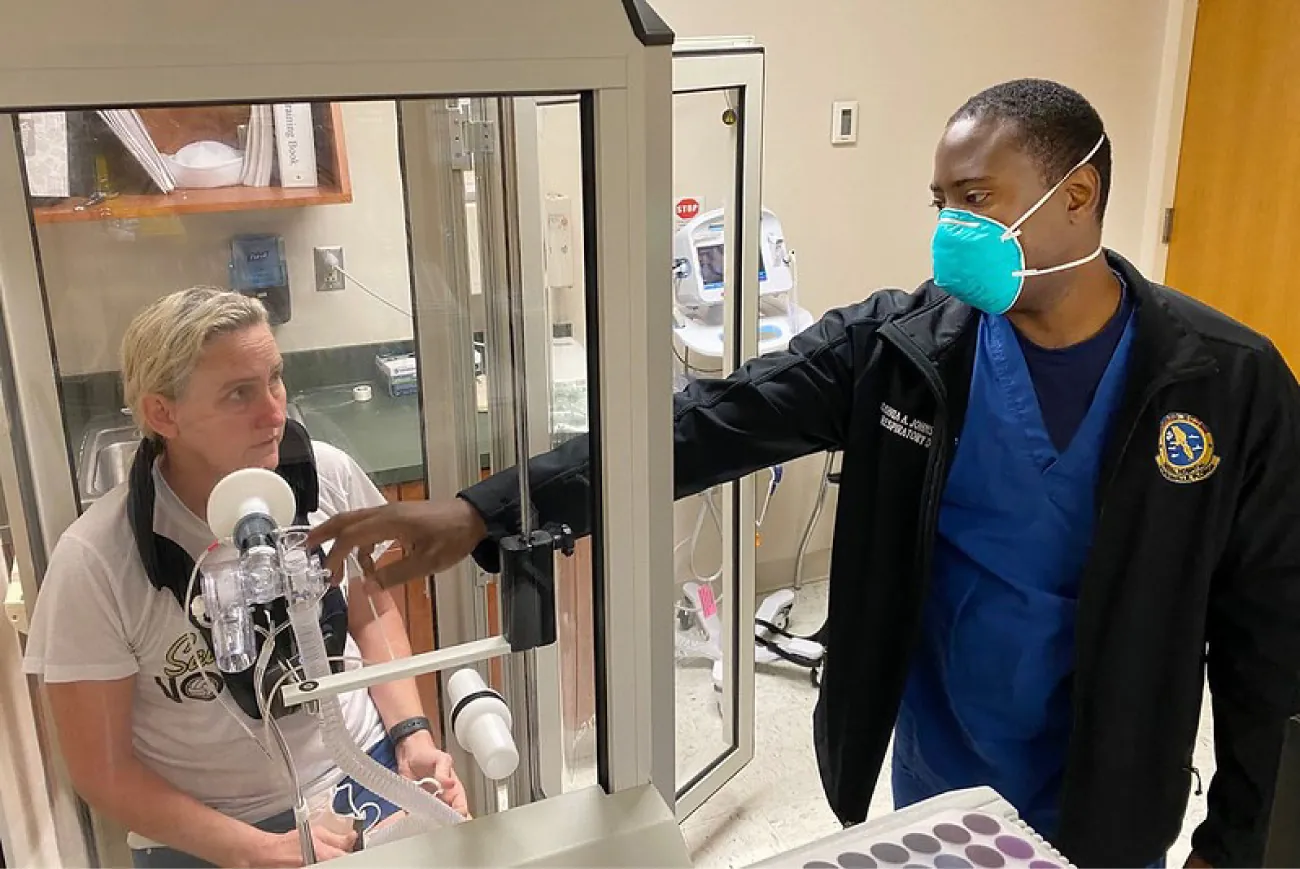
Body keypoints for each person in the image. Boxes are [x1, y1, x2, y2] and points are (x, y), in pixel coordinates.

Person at [309, 79, 1300, 867]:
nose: (949, 227)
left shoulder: (1224, 379)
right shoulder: (903, 346)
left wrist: (1234, 837)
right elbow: (705, 424)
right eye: (940, 201)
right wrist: (489, 508)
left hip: (1112, 774)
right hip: (944, 755)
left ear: (1075, 195)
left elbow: (1267, 629)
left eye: (974, 199)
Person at [23, 288, 468, 868]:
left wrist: (412, 736)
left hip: (364, 770)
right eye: (239, 393)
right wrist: (253, 851)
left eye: (275, 380)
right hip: (207, 827)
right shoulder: (96, 559)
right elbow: (101, 770)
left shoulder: (326, 478)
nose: (276, 413)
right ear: (163, 414)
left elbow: (371, 608)